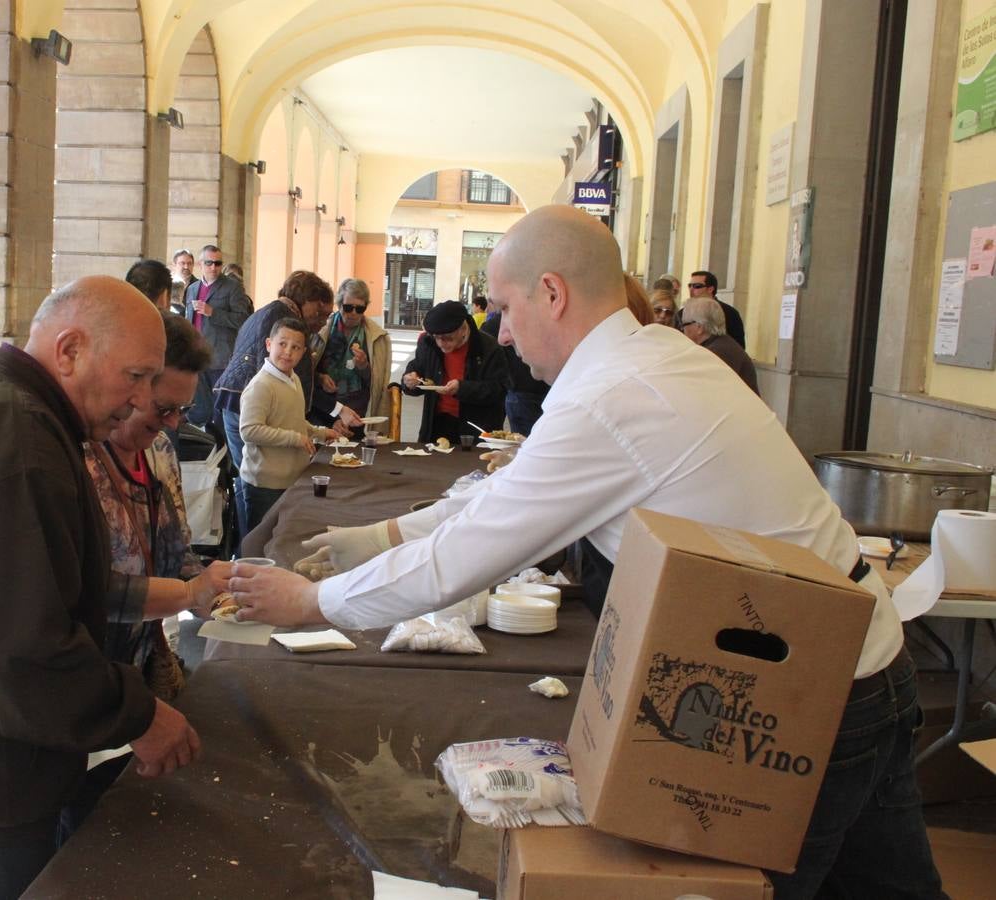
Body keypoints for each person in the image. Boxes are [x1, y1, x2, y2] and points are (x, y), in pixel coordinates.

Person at [229, 206, 943, 900]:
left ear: (553, 293)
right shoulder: (650, 357)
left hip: (809, 697)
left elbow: (469, 556)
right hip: (866, 659)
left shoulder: (609, 399)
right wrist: (382, 536)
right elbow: (502, 496)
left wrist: (313, 601)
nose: (502, 334)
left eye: (506, 309)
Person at [0, 276, 203, 900]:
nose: (139, 402)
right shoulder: (12, 436)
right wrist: (137, 715)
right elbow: (23, 644)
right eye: (134, 377)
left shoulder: (2, 410)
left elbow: (51, 589)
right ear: (70, 349)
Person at [75, 312, 230, 838]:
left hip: (137, 678)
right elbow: (88, 593)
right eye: (164, 408)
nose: (170, 424)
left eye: (181, 411)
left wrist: (215, 587)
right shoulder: (77, 460)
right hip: (85, 693)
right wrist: (189, 591)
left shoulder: (158, 450)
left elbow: (174, 546)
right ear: (129, 384)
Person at [215, 271, 359, 543]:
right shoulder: (280, 332)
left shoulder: (285, 363)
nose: (321, 321)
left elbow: (292, 410)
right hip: (247, 420)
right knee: (258, 520)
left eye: (296, 348)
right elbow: (254, 429)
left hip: (238, 408)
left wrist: (317, 431)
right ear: (306, 301)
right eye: (320, 312)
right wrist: (323, 420)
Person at [238, 317, 337, 532]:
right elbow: (249, 430)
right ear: (268, 344)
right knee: (259, 542)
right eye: (282, 344)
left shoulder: (293, 380)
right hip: (265, 484)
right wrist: (295, 439)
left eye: (296, 347)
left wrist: (318, 432)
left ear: (303, 353)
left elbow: (290, 419)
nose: (288, 352)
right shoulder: (261, 385)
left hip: (291, 478)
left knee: (281, 536)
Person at [400, 300, 508, 444]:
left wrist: (462, 388)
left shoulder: (489, 348)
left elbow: (499, 389)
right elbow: (417, 367)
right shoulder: (428, 343)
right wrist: (409, 380)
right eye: (436, 337)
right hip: (435, 423)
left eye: (447, 338)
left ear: (463, 328)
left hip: (474, 429)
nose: (441, 343)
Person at [183, 245, 252, 427]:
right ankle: (207, 445)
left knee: (220, 411)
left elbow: (242, 319)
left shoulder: (232, 287)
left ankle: (222, 450)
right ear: (200, 264)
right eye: (209, 263)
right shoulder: (192, 289)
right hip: (197, 359)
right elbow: (189, 320)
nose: (213, 267)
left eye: (218, 263)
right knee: (200, 407)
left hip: (220, 359)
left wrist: (213, 312)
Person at [312, 279, 391, 425]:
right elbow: (305, 369)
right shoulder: (321, 328)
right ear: (340, 304)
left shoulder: (376, 337)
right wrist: (320, 378)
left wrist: (364, 367)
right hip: (323, 406)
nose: (353, 313)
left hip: (357, 408)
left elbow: (376, 383)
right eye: (348, 307)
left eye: (359, 309)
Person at [481, 310, 548, 436]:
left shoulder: (498, 322)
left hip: (524, 388)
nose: (503, 338)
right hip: (521, 389)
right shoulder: (499, 323)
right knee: (527, 442)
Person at [680, 297, 759, 395]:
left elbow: (700, 391)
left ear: (699, 327)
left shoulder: (715, 353)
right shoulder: (721, 344)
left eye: (684, 325)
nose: (683, 330)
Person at [688, 270, 745, 348]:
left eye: (697, 286)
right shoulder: (684, 312)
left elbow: (738, 345)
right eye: (689, 286)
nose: (691, 290)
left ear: (710, 289)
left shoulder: (729, 313)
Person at [169, 249, 194, 316]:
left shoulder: (199, 285)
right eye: (182, 263)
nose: (186, 267)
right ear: (174, 265)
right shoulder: (167, 283)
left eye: (189, 263)